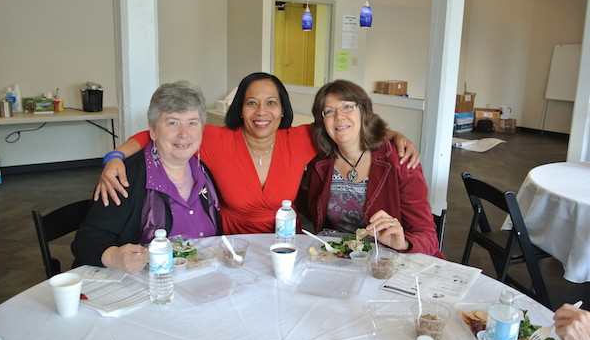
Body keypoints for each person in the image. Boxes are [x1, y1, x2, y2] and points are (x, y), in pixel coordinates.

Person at [94, 72, 420, 235]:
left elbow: (342, 125)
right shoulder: (217, 140)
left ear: (282, 110)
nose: (261, 111)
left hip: (286, 248)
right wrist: (115, 158)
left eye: (271, 102)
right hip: (231, 249)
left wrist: (392, 135)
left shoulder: (299, 139)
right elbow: (159, 131)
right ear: (240, 109)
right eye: (252, 102)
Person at [72, 81, 221, 273]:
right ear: (152, 130)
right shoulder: (125, 177)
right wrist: (115, 256)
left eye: (192, 123)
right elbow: (86, 240)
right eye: (173, 123)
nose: (184, 134)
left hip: (203, 276)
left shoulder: (204, 171)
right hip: (148, 282)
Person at [299, 79, 443, 258]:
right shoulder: (319, 162)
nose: (339, 116)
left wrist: (403, 243)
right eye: (329, 111)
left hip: (389, 261)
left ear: (363, 111)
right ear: (322, 121)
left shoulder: (400, 161)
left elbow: (428, 237)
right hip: (340, 259)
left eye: (348, 107)